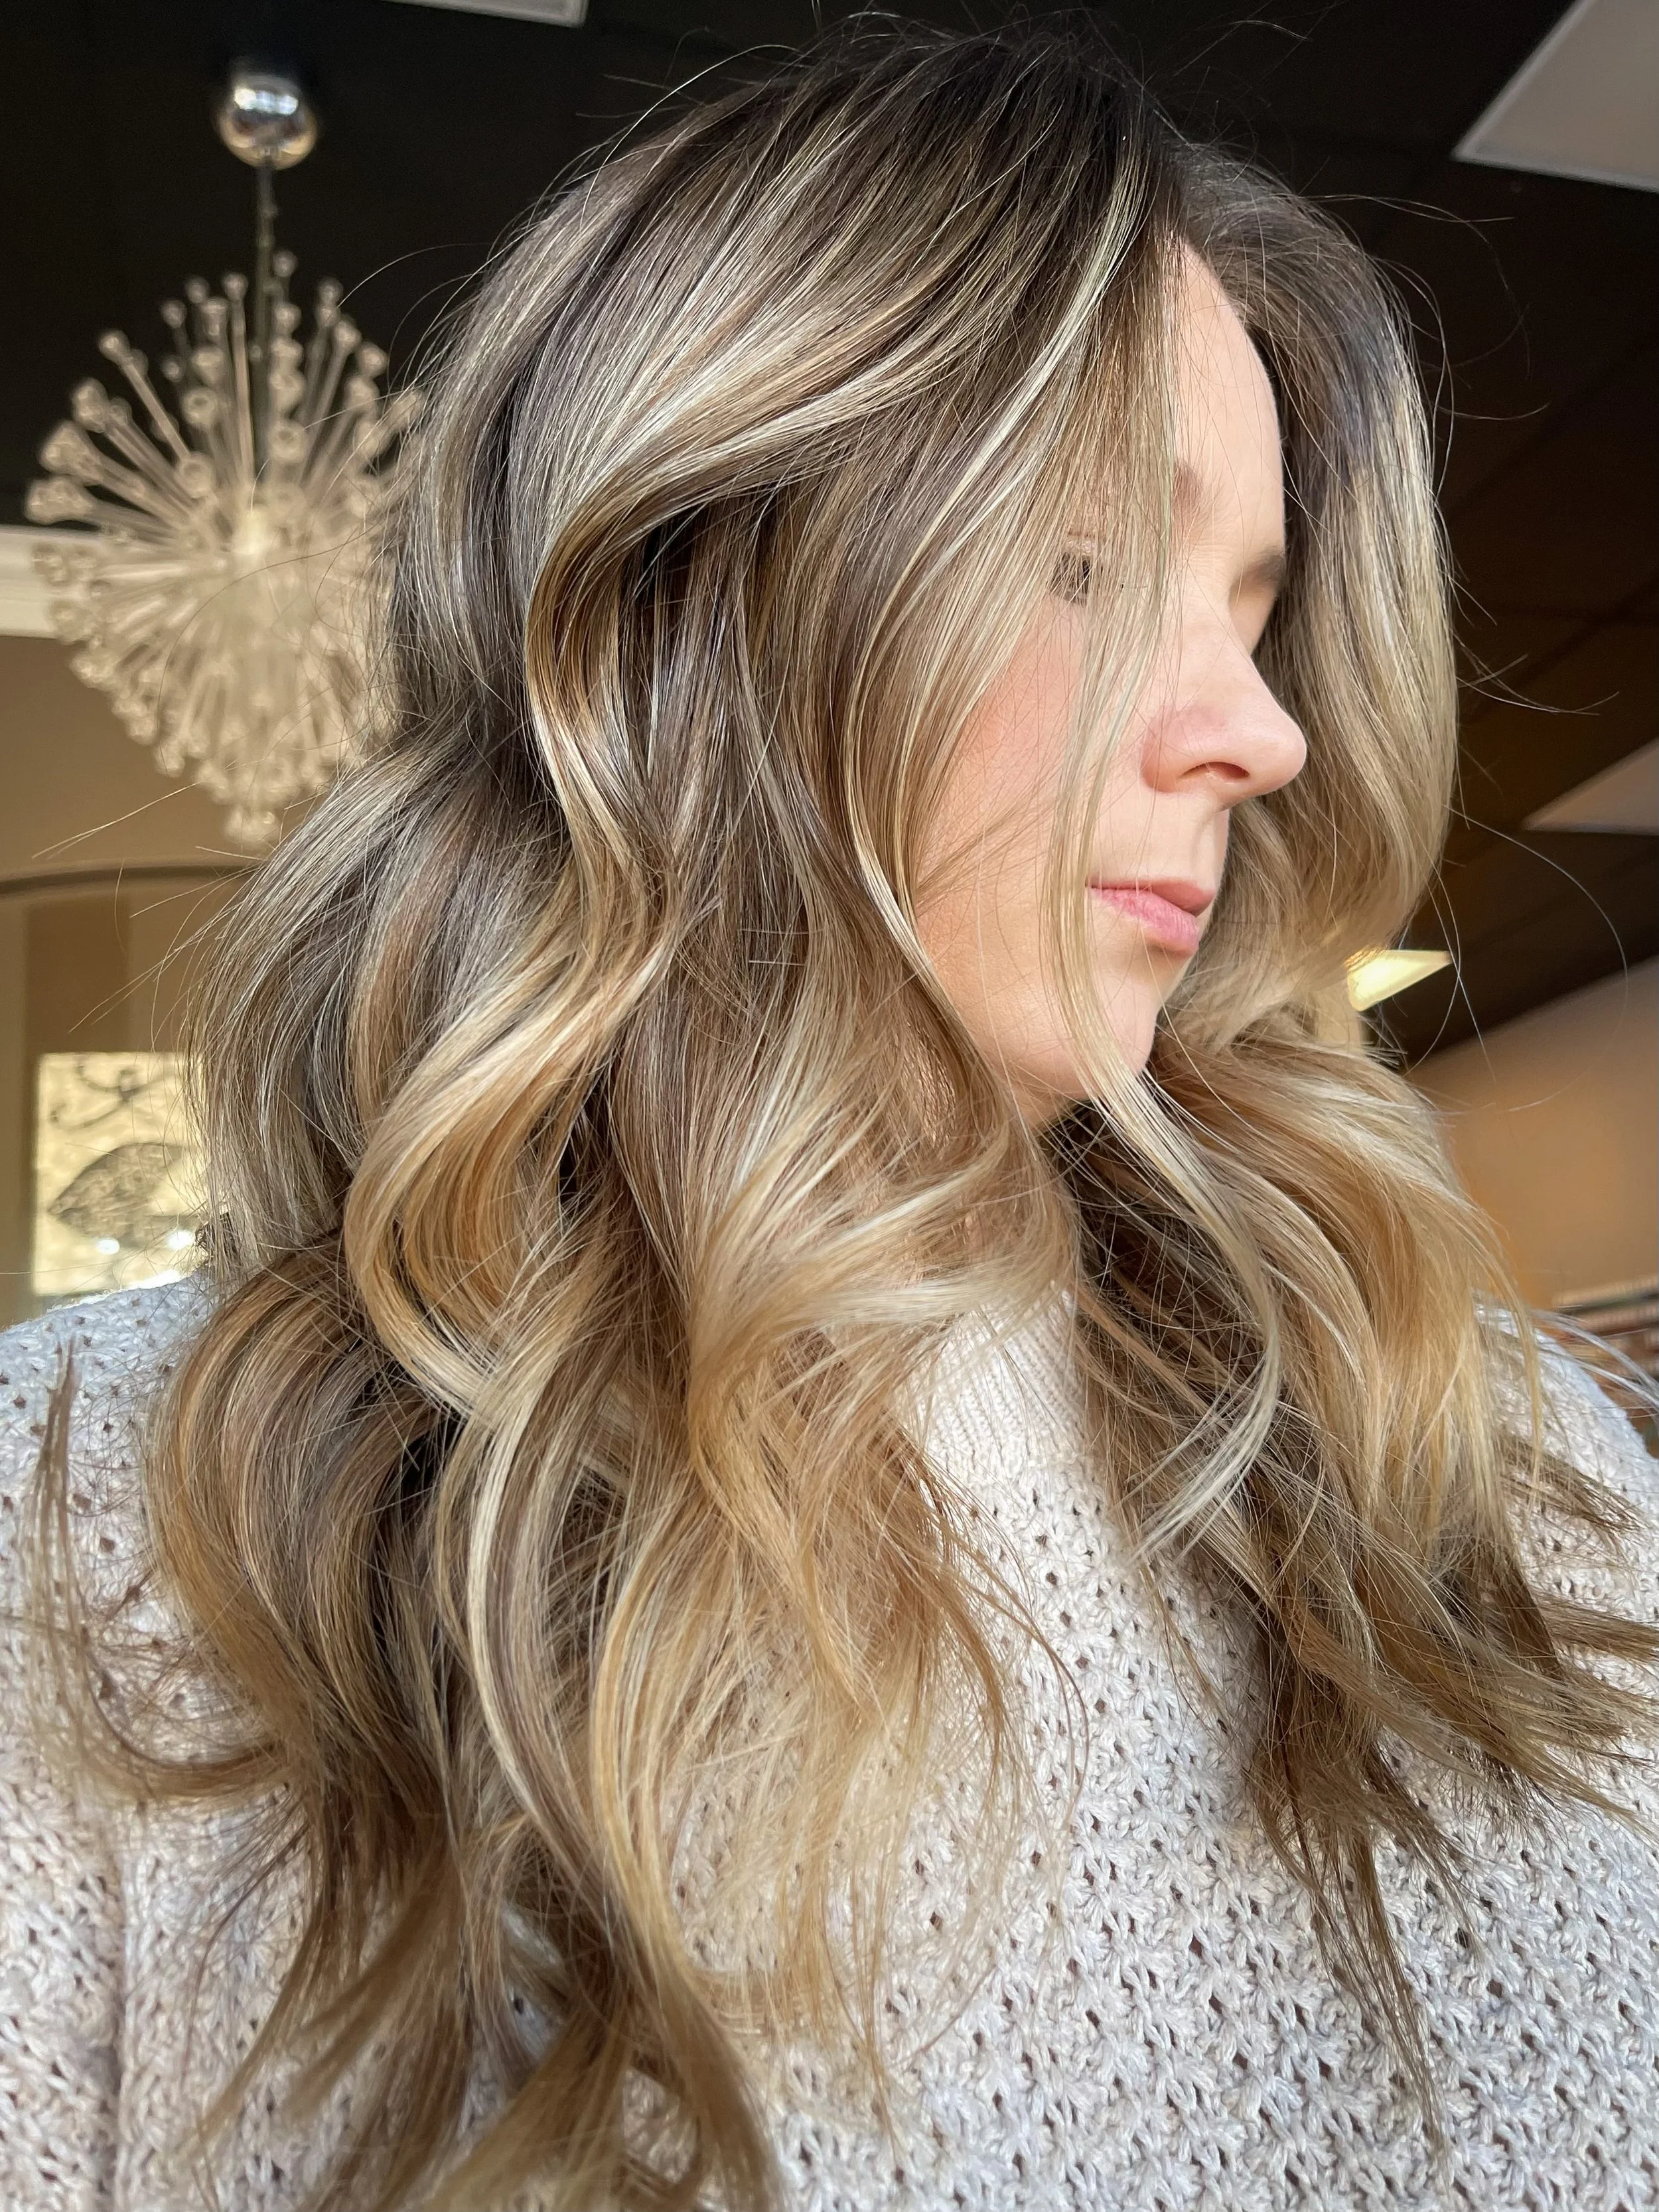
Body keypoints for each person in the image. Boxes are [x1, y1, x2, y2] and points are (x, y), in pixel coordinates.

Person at [3, 20, 1657, 2212]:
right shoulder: (100, 1523)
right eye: (1094, 560)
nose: (1261, 732)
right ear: (695, 602)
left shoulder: (1514, 1469)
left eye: (1255, 614)